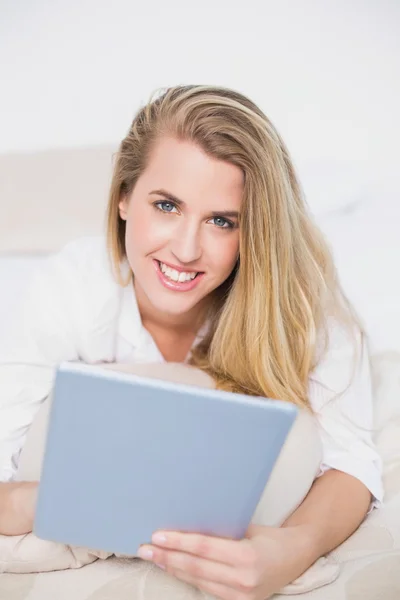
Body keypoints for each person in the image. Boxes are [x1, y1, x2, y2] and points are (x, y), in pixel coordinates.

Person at [0, 85, 383, 599]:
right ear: (123, 198)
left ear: (254, 232)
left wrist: (292, 548)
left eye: (221, 221)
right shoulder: (69, 289)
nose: (185, 249)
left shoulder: (303, 307)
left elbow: (351, 461)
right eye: (166, 206)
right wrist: (63, 500)